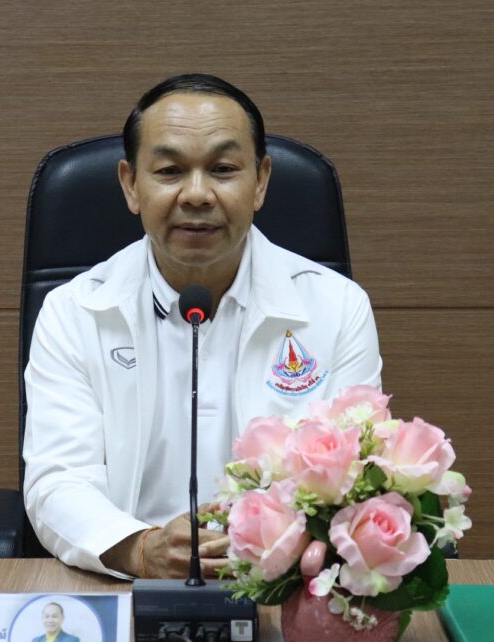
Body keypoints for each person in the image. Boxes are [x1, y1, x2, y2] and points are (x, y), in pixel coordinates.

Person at [22, 73, 382, 579]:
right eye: (170, 171)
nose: (196, 194)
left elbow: (355, 478)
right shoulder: (74, 312)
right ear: (131, 184)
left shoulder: (337, 307)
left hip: (281, 586)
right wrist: (140, 550)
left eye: (223, 169)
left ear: (260, 182)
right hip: (125, 585)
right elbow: (58, 481)